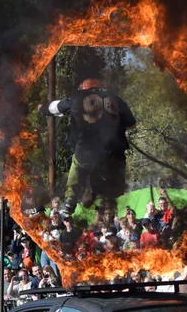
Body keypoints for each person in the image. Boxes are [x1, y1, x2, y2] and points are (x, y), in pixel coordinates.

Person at [41, 78, 135, 215]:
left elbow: (54, 108)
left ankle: (70, 201)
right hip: (114, 152)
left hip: (86, 150)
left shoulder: (77, 97)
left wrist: (42, 109)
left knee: (78, 164)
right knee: (115, 174)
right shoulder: (116, 100)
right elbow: (132, 124)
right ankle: (109, 202)